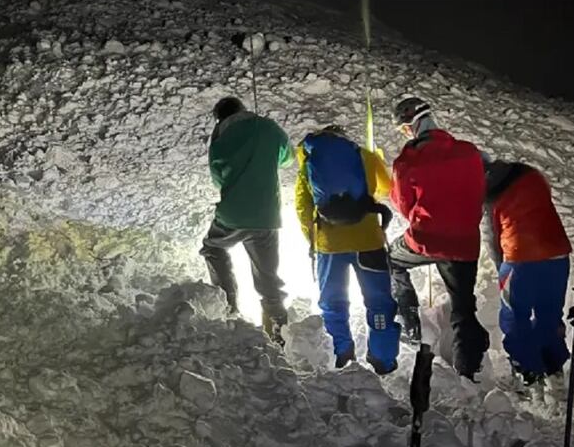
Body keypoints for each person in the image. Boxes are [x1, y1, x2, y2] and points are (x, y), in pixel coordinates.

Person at [388, 96, 490, 379]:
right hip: (465, 244)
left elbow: (405, 207)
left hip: (425, 240)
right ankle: (467, 369)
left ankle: (410, 327)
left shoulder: (407, 160)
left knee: (392, 261)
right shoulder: (469, 152)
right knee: (463, 305)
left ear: (410, 126)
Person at [294, 125, 400, 374]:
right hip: (369, 243)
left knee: (333, 301)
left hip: (330, 246)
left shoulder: (310, 161)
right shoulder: (363, 155)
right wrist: (377, 162)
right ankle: (383, 358)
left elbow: (303, 207)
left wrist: (313, 240)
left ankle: (341, 352)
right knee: (379, 302)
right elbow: (387, 188)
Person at [201, 96, 294, 342]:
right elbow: (287, 158)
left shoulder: (220, 137)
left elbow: (217, 178)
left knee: (213, 248)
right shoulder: (268, 126)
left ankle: (227, 304)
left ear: (220, 117)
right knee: (267, 275)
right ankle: (276, 327)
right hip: (267, 216)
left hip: (233, 214)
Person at [484, 160, 573, 386]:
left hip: (519, 259)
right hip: (557, 254)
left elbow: (492, 238)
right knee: (550, 313)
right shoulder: (531, 174)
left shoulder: (490, 196)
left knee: (515, 317)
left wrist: (501, 269)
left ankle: (528, 372)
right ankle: (554, 367)